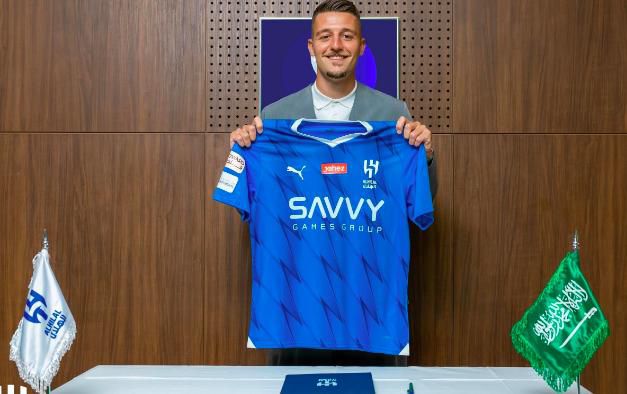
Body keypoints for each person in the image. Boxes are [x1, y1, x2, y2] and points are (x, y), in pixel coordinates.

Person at [227, 0, 437, 366]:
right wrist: (243, 155)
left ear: (361, 46)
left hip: (372, 322)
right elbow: (251, 205)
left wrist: (425, 156)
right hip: (297, 322)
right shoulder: (273, 119)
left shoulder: (395, 116)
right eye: (325, 36)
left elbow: (418, 203)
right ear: (312, 47)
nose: (335, 45)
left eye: (346, 36)